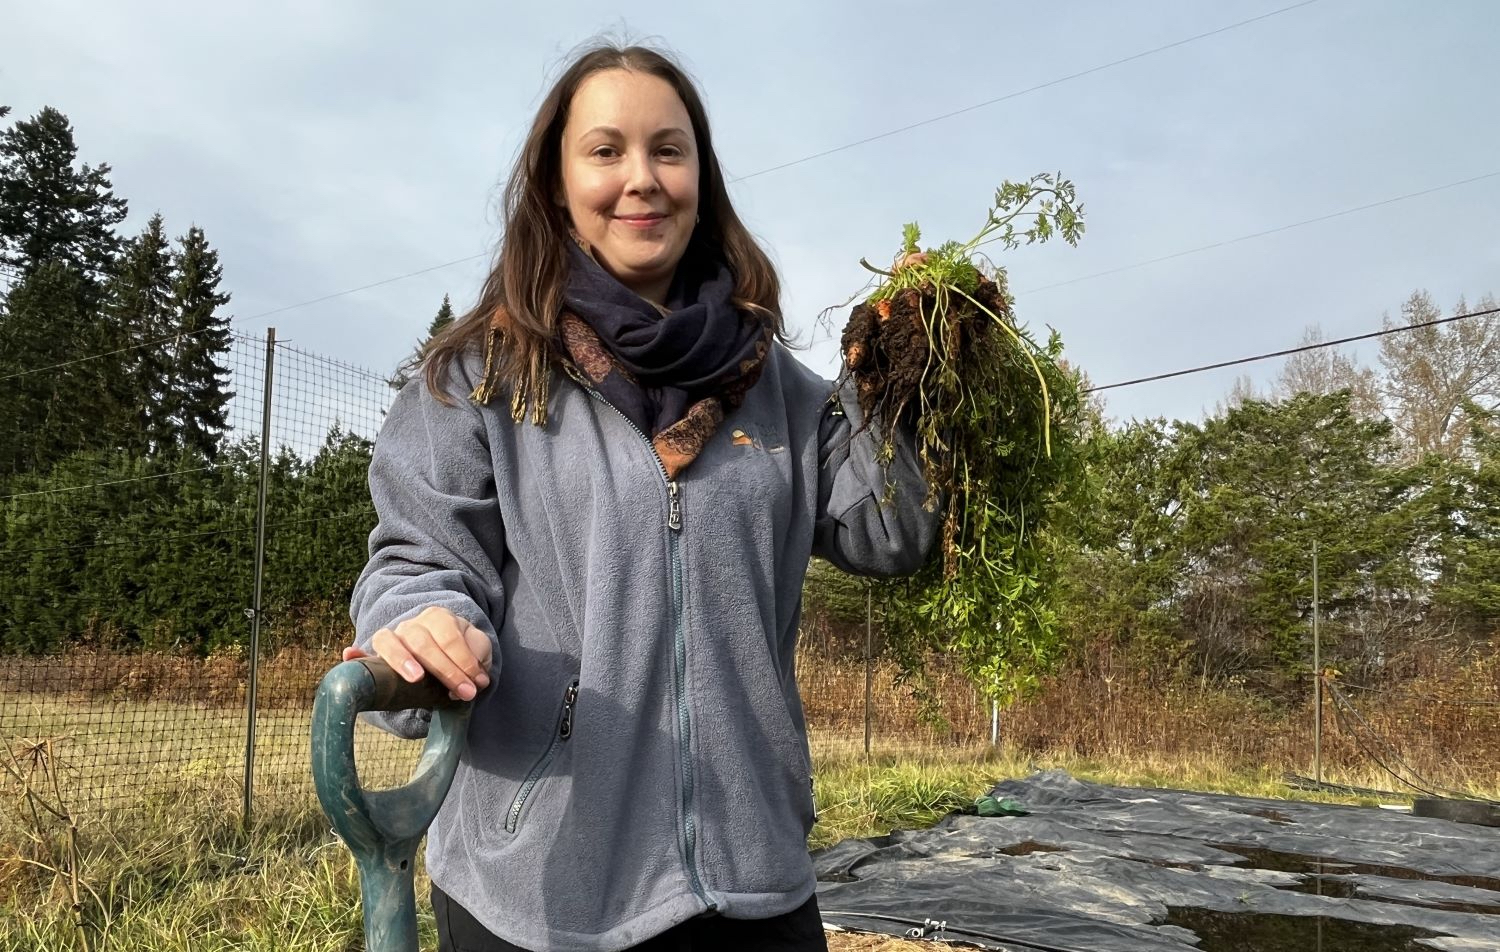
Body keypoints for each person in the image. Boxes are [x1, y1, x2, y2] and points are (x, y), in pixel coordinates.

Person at [345, 41, 939, 952]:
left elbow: (891, 534)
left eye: (669, 150)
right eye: (606, 150)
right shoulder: (481, 377)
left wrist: (900, 370)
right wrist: (425, 624)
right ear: (554, 184)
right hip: (541, 886)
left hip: (753, 877)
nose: (642, 179)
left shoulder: (779, 386)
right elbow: (418, 560)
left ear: (702, 178)